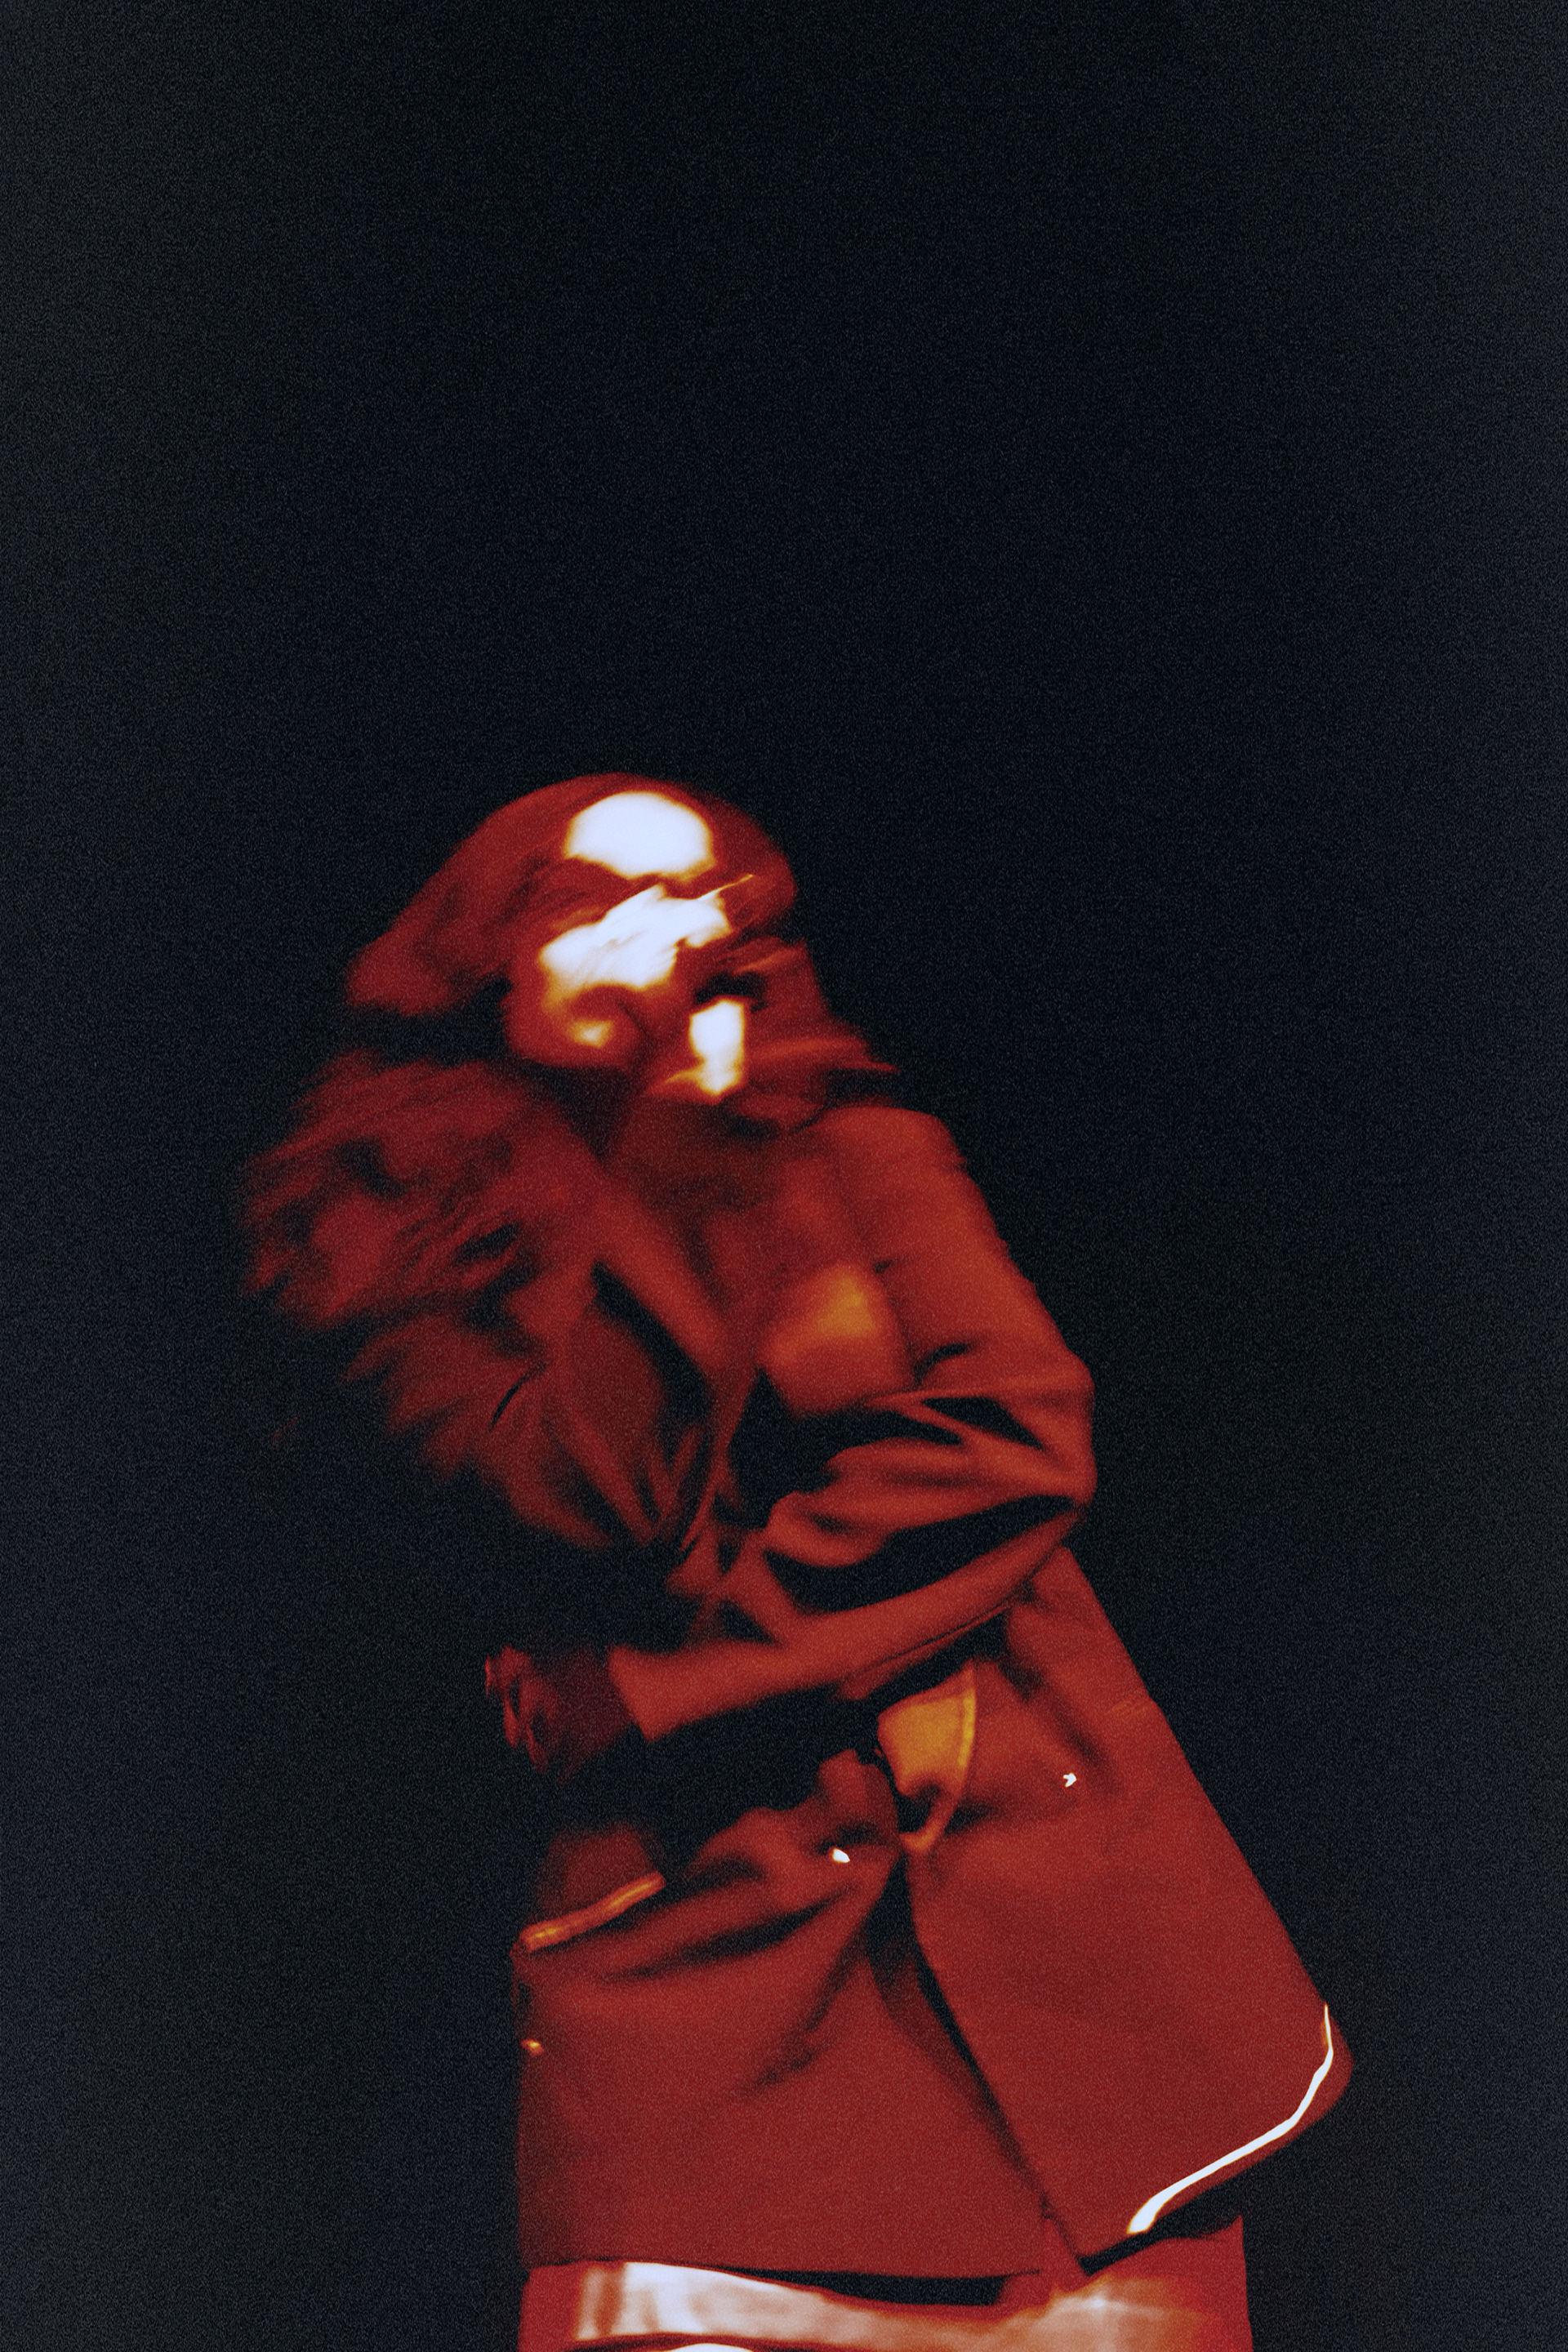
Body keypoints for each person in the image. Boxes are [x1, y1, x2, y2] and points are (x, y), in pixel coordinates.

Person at [243, 775, 1351, 2352]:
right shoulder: (377, 1234)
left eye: (697, 896)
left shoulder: (852, 1150)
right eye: (596, 896)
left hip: (1046, 1949)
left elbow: (1016, 1436)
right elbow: (593, 1498)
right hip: (706, 1966)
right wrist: (683, 1145)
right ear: (484, 957)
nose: (663, 931)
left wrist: (656, 1677)